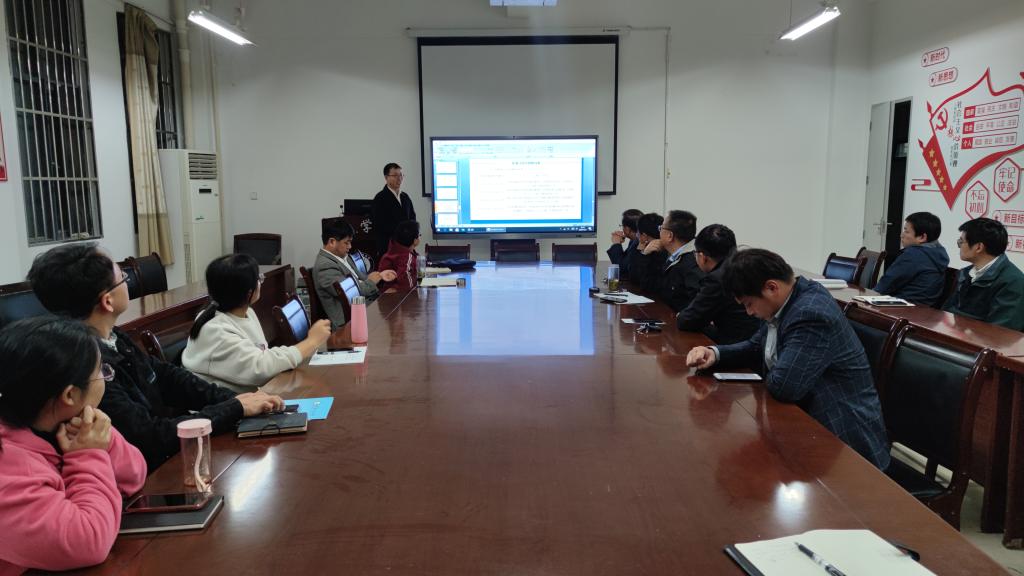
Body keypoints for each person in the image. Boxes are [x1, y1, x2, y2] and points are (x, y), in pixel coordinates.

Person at [27, 243, 284, 472]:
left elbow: (165, 376)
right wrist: (234, 408)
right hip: (147, 475)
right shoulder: (88, 368)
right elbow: (150, 437)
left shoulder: (113, 336)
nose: (127, 281)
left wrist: (235, 401)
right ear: (107, 301)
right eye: (123, 278)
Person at [685, 248, 890, 470]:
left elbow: (785, 387)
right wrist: (715, 353)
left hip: (842, 442)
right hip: (805, 423)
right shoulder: (788, 300)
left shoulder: (810, 314)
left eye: (748, 304)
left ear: (772, 287)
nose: (749, 312)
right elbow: (756, 346)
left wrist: (770, 368)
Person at [0, 317, 147, 574]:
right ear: (70, 395)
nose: (106, 377)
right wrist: (89, 454)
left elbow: (134, 475)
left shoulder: (58, 423)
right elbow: (88, 541)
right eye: (101, 371)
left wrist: (101, 441)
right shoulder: (8, 464)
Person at [182, 254, 332, 393]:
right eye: (258, 278)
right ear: (249, 292)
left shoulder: (247, 312)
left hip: (247, 399)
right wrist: (312, 341)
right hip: (221, 407)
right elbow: (260, 368)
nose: (261, 281)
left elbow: (263, 355)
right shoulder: (214, 329)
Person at [677, 224, 762, 344]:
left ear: (703, 257)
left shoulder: (717, 279)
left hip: (737, 344)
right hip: (758, 338)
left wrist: (683, 315)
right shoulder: (744, 264)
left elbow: (688, 321)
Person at [944, 217, 1024, 330]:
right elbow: (947, 310)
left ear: (978, 247)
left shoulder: (1013, 282)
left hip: (978, 339)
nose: (959, 246)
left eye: (961, 241)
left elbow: (1000, 330)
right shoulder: (966, 273)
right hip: (955, 334)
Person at [314, 220, 397, 329]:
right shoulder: (325, 266)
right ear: (332, 242)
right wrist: (372, 281)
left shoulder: (343, 257)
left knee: (398, 305)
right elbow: (350, 293)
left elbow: (362, 279)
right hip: (349, 320)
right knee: (396, 318)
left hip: (363, 307)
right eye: (346, 242)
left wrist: (380, 276)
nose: (350, 246)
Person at [873, 212, 949, 305]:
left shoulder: (914, 255)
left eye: (906, 231)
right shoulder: (938, 253)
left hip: (903, 307)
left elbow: (884, 286)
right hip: (924, 309)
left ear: (922, 237)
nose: (901, 235)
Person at [638, 210, 704, 311]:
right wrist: (646, 255)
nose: (659, 232)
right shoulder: (671, 255)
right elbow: (650, 286)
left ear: (670, 236)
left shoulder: (692, 261)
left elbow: (697, 304)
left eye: (661, 228)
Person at [371, 162, 417, 257]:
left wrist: (415, 236)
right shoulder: (380, 198)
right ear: (386, 177)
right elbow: (380, 224)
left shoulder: (405, 197)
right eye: (395, 175)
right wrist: (403, 235)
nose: (399, 178)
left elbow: (412, 218)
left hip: (407, 246)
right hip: (389, 247)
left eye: (401, 175)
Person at [378, 220, 421, 291]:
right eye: (419, 235)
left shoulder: (393, 250)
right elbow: (406, 283)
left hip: (387, 292)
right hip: (396, 294)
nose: (420, 237)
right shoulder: (406, 256)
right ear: (415, 240)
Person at [627, 212, 665, 286]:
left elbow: (635, 278)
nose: (637, 235)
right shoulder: (640, 245)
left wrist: (644, 254)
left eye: (638, 232)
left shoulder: (656, 251)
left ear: (644, 236)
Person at [607, 209, 644, 277]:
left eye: (622, 226)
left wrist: (616, 243)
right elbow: (624, 260)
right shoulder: (634, 240)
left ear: (627, 229)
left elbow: (622, 268)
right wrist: (618, 243)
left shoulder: (640, 242)